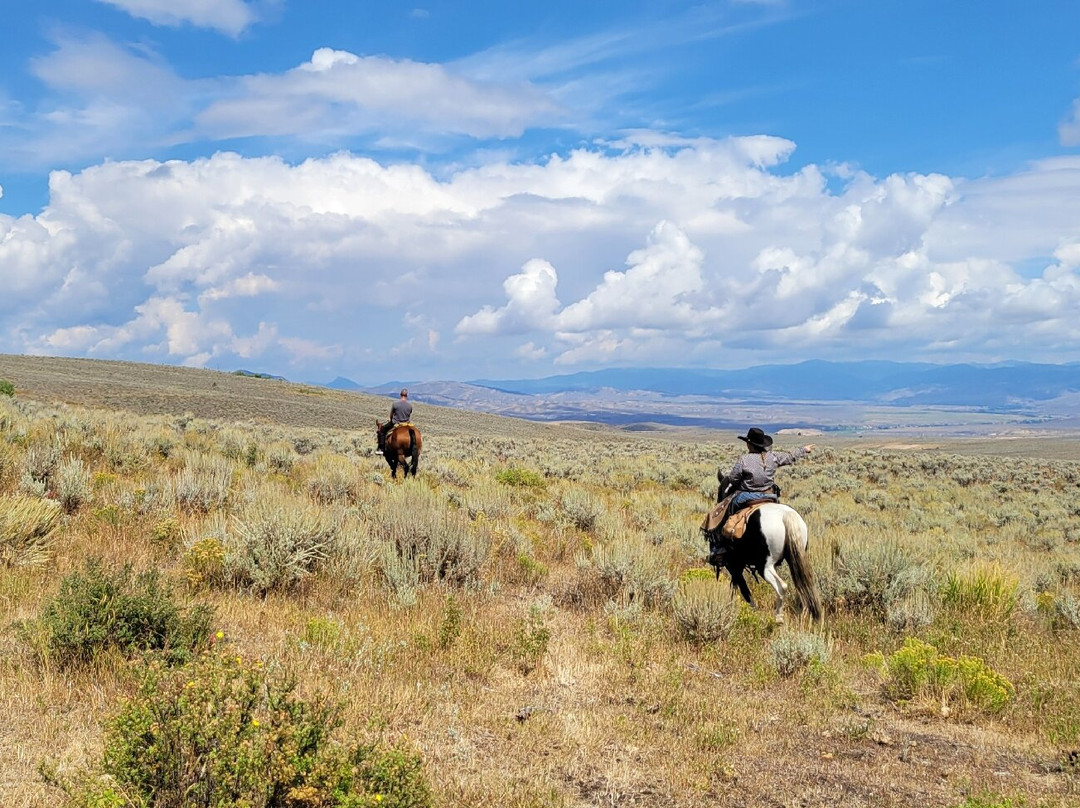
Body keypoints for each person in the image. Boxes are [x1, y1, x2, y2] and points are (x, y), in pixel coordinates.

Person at [718, 427, 816, 512]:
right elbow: (790, 457)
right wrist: (804, 450)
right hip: (770, 496)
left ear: (749, 445)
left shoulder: (744, 459)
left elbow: (733, 478)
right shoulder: (773, 457)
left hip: (746, 496)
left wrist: (736, 484)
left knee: (729, 507)